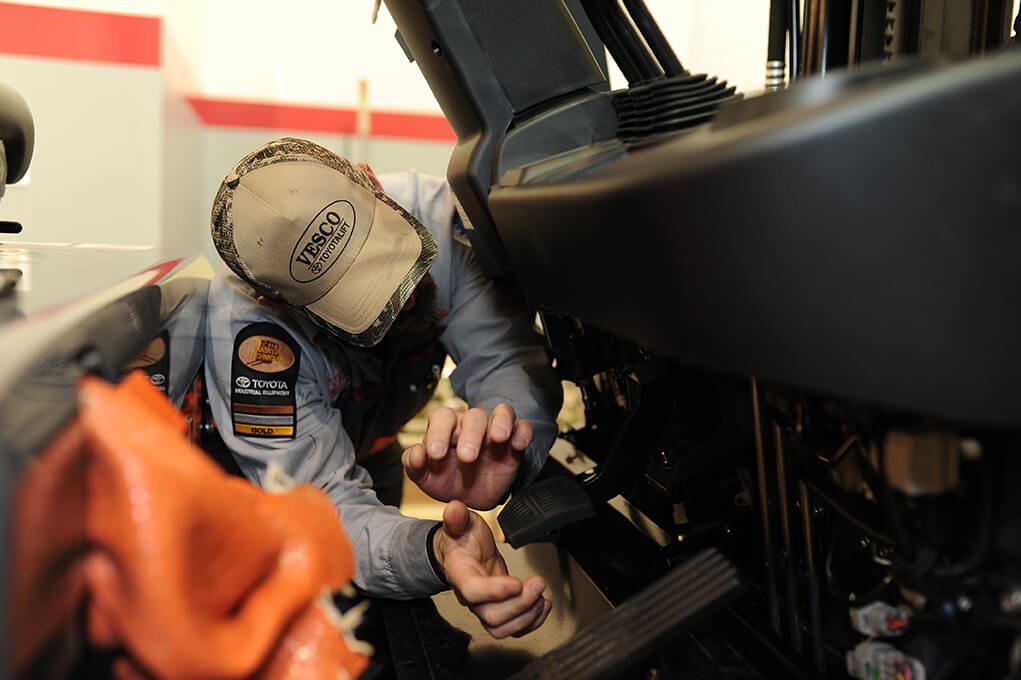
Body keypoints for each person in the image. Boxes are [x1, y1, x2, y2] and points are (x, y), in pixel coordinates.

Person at [203, 137, 563, 638]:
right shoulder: (252, 340)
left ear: (371, 182)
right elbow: (323, 505)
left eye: (390, 256)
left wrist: (512, 442)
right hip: (277, 493)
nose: (402, 296)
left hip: (379, 447)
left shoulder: (440, 219)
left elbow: (503, 360)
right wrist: (434, 551)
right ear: (278, 303)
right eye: (362, 300)